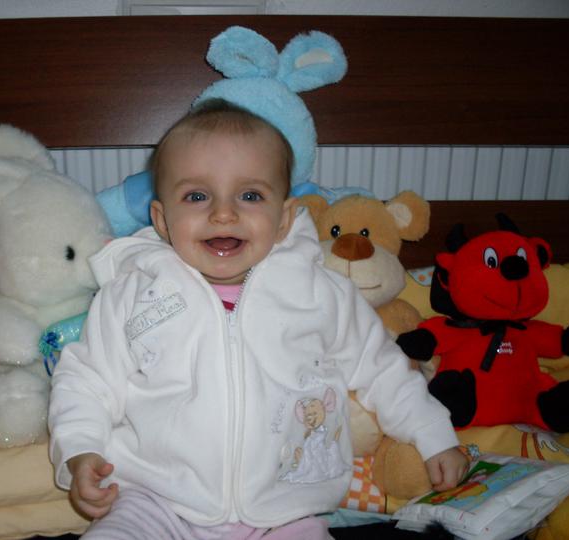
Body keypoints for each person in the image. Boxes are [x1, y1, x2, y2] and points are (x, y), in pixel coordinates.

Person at [48, 99, 469, 539]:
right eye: (196, 196)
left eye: (250, 196)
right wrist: (79, 450)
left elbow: (383, 369)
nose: (223, 213)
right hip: (153, 502)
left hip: (285, 510)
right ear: (162, 219)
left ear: (284, 219)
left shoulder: (319, 293)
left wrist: (432, 434)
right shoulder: (133, 294)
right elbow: (87, 379)